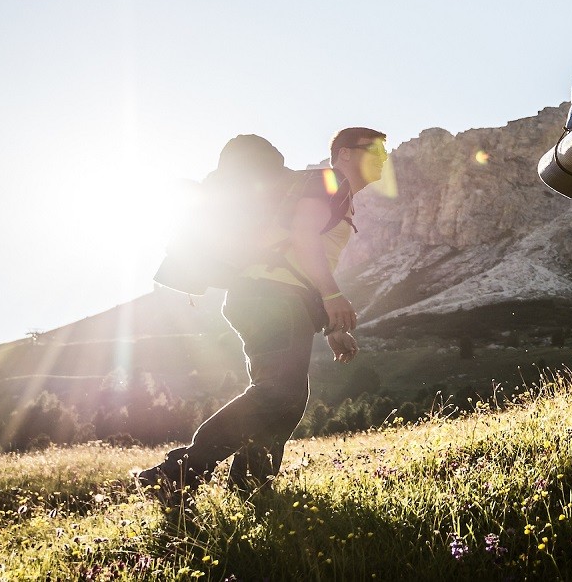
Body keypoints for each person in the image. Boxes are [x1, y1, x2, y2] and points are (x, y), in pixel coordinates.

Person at [136, 127, 388, 508]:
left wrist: (329, 324)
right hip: (270, 297)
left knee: (286, 397)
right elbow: (301, 238)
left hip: (273, 297)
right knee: (279, 393)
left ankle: (250, 486)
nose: (384, 158)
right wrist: (334, 296)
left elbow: (294, 257)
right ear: (345, 154)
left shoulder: (336, 192)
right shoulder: (330, 180)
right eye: (376, 150)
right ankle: (176, 475)